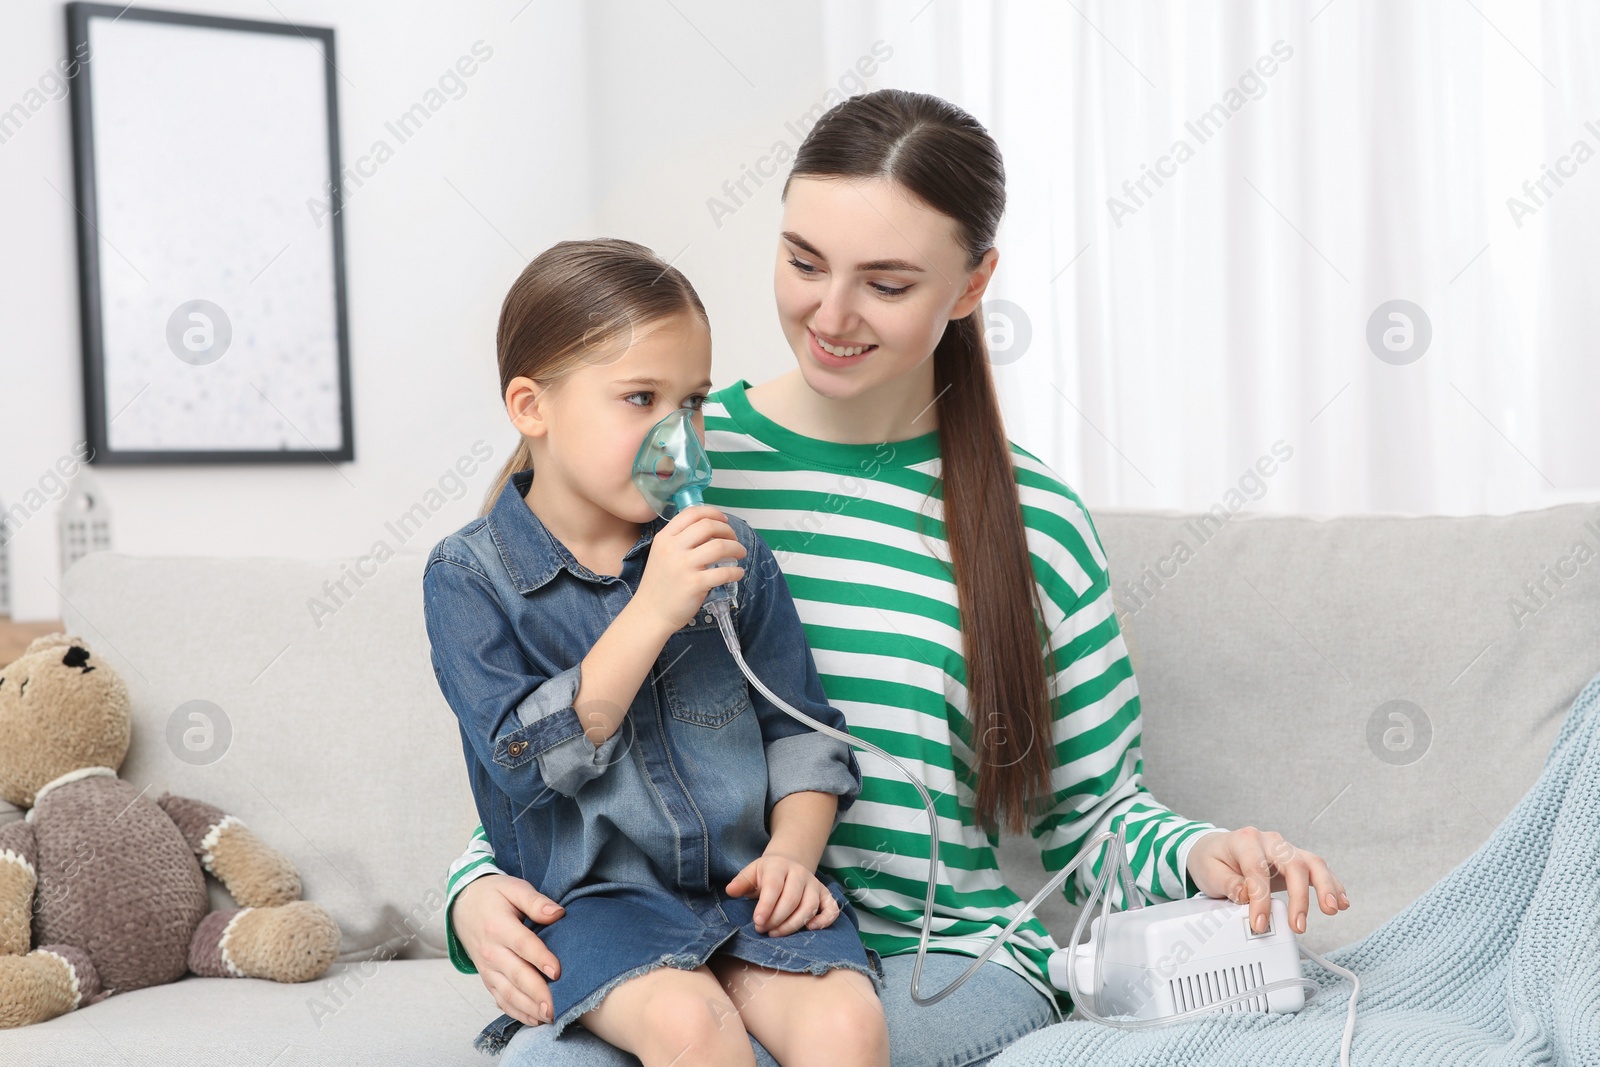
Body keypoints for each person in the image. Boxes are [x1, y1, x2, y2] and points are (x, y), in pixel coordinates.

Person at [447, 89, 1352, 1067]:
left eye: (885, 282)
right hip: (674, 939)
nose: (828, 314)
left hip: (936, 958)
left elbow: (1090, 822)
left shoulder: (1031, 523)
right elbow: (552, 724)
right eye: (802, 262)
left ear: (970, 286)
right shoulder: (666, 469)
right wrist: (469, 889)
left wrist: (1199, 854)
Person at [423, 238, 890, 1066]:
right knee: (691, 1027)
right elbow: (524, 764)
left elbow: (806, 734)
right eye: (640, 399)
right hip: (598, 909)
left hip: (744, 891)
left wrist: (791, 855)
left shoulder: (734, 557)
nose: (679, 437)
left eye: (694, 403)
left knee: (849, 1025)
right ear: (532, 407)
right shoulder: (469, 577)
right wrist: (648, 614)